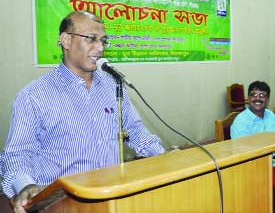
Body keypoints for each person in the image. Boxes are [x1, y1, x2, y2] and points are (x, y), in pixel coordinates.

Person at [0, 11, 165, 212]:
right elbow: (17, 154)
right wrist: (25, 186)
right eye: (91, 39)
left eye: (103, 41)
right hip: (60, 204)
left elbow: (136, 132)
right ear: (66, 40)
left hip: (111, 198)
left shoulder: (112, 84)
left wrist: (167, 158)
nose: (100, 48)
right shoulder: (33, 95)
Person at [230, 81, 275, 167]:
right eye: (254, 95)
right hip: (254, 167)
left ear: (268, 99)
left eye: (262, 95)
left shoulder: (271, 115)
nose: (258, 99)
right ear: (248, 98)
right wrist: (274, 163)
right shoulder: (240, 122)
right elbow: (245, 155)